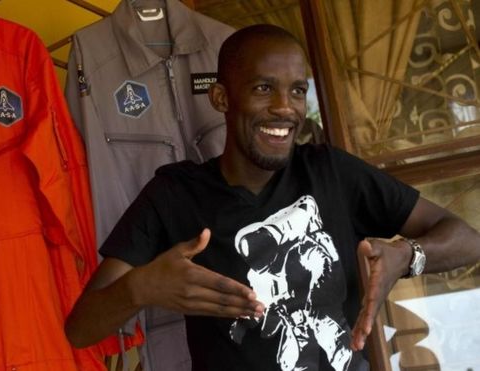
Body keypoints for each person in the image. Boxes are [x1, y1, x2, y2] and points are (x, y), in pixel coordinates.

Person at [64, 24, 480, 371]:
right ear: (222, 98)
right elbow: (81, 329)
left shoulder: (331, 172)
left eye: (297, 91)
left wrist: (407, 255)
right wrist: (140, 287)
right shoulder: (175, 195)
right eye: (264, 88)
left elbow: (466, 238)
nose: (285, 108)